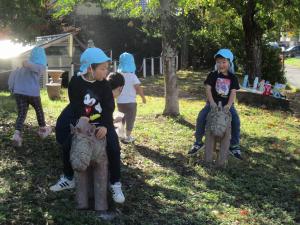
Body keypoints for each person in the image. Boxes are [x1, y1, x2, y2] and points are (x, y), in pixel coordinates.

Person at [50, 47, 125, 204]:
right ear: (90, 68)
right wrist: (83, 122)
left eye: (107, 68)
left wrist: (105, 126)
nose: (106, 72)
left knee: (113, 147)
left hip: (102, 121)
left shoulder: (104, 85)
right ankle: (68, 177)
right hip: (83, 120)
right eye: (103, 68)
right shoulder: (75, 83)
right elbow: (76, 104)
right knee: (68, 144)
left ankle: (115, 182)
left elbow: (109, 106)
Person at [187, 49, 242, 160]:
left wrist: (229, 106)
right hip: (212, 103)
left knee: (236, 120)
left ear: (229, 63)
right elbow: (208, 89)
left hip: (227, 105)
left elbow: (233, 92)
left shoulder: (232, 77)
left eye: (224, 62)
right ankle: (198, 142)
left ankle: (234, 146)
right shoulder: (212, 75)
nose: (221, 64)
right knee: (201, 116)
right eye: (218, 62)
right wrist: (211, 103)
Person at [8, 47, 52, 147]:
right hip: (32, 93)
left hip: (19, 93)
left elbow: (13, 75)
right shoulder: (39, 66)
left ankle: (16, 134)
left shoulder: (21, 68)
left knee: (22, 114)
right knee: (38, 110)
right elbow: (37, 68)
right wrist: (28, 64)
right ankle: (42, 129)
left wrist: (11, 87)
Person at [116, 52, 146, 143]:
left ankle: (120, 135)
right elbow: (138, 88)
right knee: (130, 119)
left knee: (121, 118)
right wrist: (143, 97)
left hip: (120, 102)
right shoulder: (132, 76)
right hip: (131, 103)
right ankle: (128, 137)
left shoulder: (118, 76)